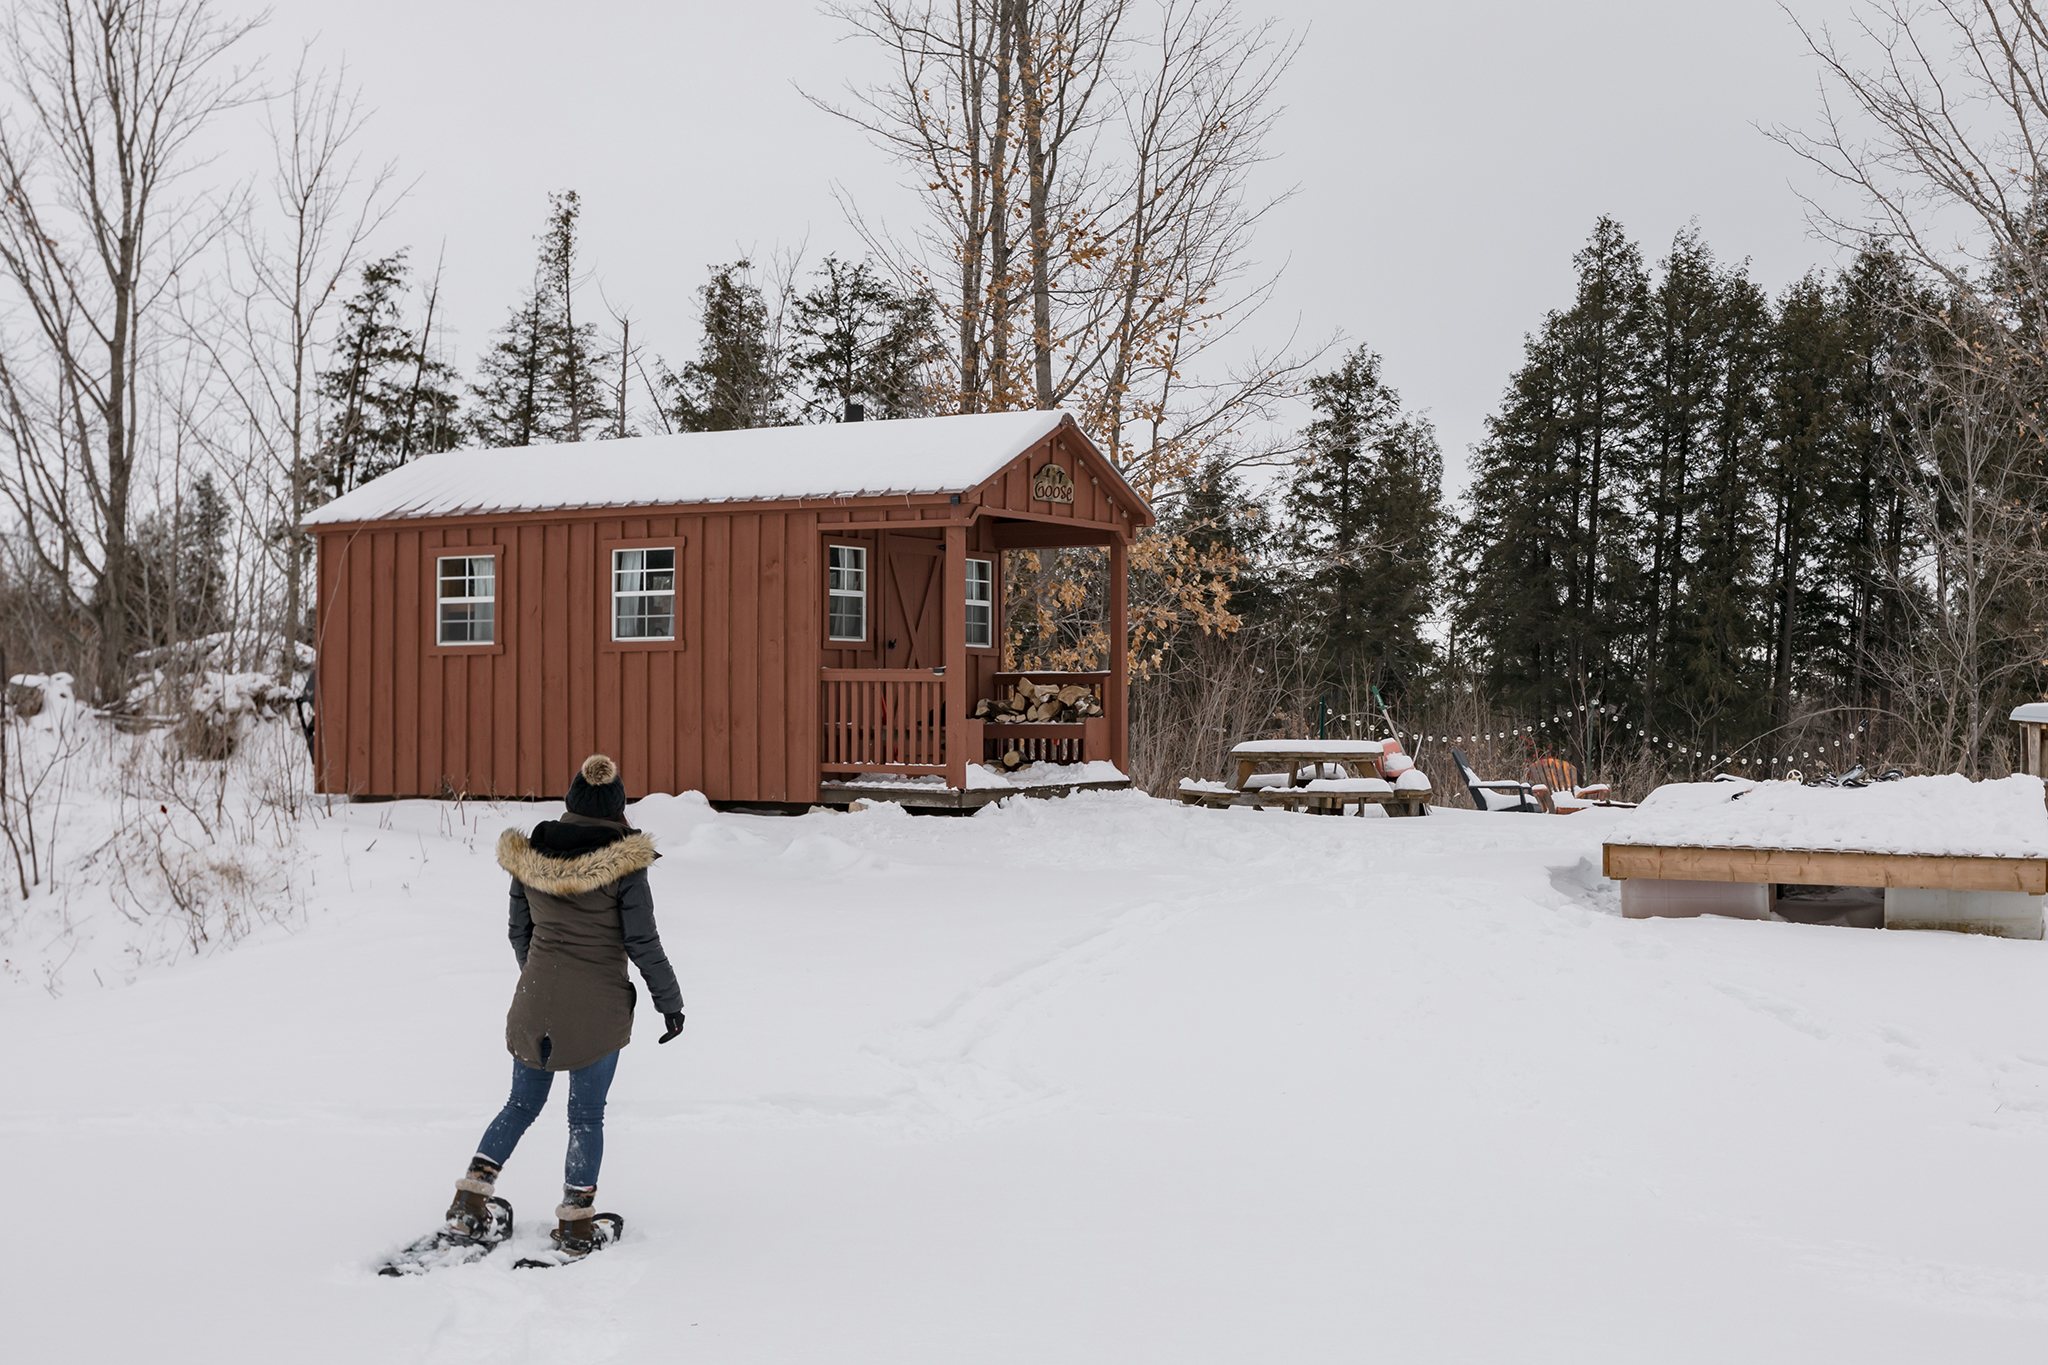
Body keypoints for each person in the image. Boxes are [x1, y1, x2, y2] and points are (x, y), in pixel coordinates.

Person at [442, 753, 686, 1260]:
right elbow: (643, 942)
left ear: (571, 802)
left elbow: (519, 931)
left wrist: (536, 978)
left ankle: (469, 1202)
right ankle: (575, 1224)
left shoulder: (531, 857)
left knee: (520, 1105)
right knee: (586, 1117)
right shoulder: (626, 866)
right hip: (596, 1010)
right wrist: (670, 1002)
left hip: (534, 1002)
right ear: (618, 809)